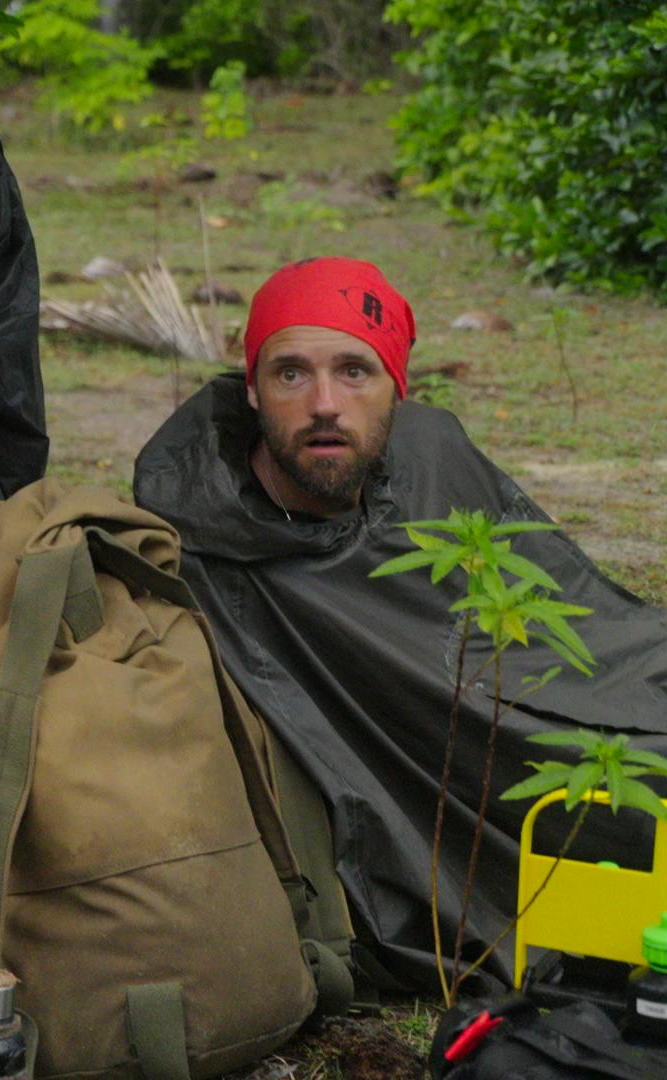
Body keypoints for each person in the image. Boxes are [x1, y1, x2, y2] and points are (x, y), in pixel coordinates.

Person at [133, 257, 667, 990]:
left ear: (397, 389)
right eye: (291, 373)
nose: (325, 403)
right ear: (251, 389)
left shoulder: (430, 456)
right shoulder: (193, 542)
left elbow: (577, 621)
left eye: (355, 371)